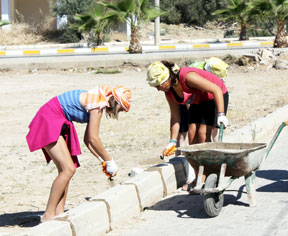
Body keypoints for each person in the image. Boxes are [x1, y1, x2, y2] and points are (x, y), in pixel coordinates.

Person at [26, 85, 132, 222]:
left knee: (67, 170)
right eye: (121, 109)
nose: (118, 113)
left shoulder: (99, 100)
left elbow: (88, 139)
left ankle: (59, 213)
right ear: (116, 102)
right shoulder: (98, 104)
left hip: (55, 119)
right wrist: (110, 160)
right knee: (68, 169)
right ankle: (48, 215)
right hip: (49, 118)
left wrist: (102, 161)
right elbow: (93, 138)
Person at [146, 60, 229, 190]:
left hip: (215, 97)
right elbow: (175, 116)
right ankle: (198, 177)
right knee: (191, 136)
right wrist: (172, 141)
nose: (157, 89)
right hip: (199, 101)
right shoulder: (169, 92)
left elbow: (216, 89)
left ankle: (207, 177)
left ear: (166, 80)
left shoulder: (187, 77)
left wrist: (221, 114)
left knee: (202, 136)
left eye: (158, 85)